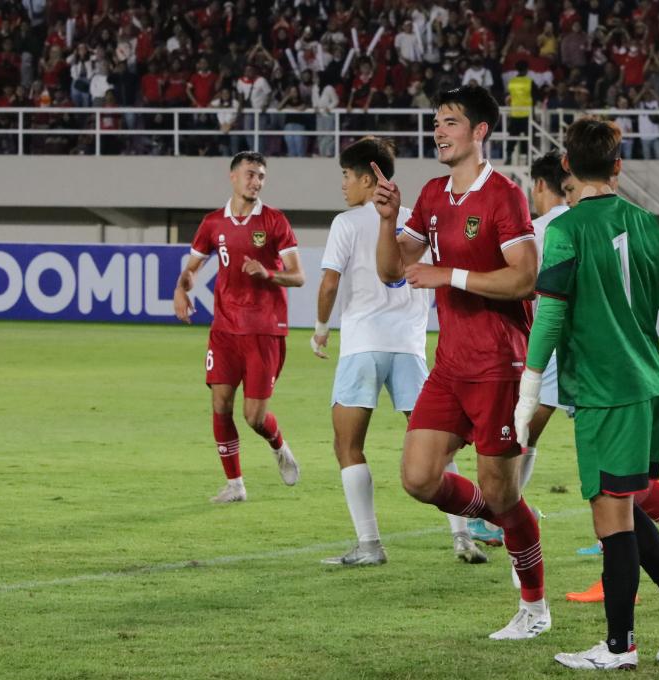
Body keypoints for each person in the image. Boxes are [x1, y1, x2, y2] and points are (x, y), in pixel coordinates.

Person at [514, 117, 659, 670]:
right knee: (623, 504)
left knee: (609, 517)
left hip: (606, 392)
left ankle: (620, 646)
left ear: (569, 169)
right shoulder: (649, 224)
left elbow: (549, 315)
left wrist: (529, 386)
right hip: (647, 386)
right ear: (619, 167)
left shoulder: (566, 229)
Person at [371, 85, 549, 640]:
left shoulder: (504, 195)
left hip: (499, 364)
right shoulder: (429, 194)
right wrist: (386, 221)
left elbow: (525, 275)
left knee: (499, 493)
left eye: (450, 122)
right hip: (451, 365)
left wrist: (450, 275)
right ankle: (517, 519)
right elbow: (391, 270)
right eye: (435, 122)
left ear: (480, 132)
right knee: (419, 477)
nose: (438, 131)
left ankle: (535, 610)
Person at [313, 138, 487, 566]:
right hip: (410, 350)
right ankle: (463, 537)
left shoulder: (347, 223)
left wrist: (320, 330)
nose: (343, 185)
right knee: (437, 447)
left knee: (348, 446)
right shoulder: (418, 221)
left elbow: (330, 283)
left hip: (363, 347)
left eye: (347, 176)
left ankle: (370, 545)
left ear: (370, 177)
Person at [173, 151, 304, 503]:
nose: (256, 181)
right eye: (250, 174)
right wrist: (180, 288)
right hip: (226, 328)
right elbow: (192, 268)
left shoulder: (275, 221)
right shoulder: (213, 223)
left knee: (254, 416)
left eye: (261, 175)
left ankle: (279, 446)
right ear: (233, 177)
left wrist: (268, 273)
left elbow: (299, 275)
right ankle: (235, 485)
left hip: (264, 329)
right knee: (220, 403)